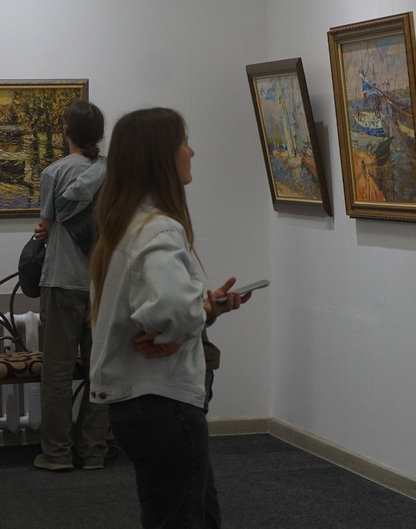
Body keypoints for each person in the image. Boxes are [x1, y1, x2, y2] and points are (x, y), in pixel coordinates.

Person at [88, 107, 249, 527]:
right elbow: (173, 308)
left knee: (188, 513)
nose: (191, 152)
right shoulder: (159, 229)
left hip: (140, 403)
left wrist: (205, 309)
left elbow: (160, 306)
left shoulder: (124, 222)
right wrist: (176, 330)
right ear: (161, 156)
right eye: (184, 143)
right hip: (162, 402)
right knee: (184, 519)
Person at [33, 99, 110, 472]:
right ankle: (93, 452)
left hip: (62, 281)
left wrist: (43, 230)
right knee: (101, 372)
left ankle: (57, 453)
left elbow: (46, 227)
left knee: (58, 374)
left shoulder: (54, 172)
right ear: (99, 134)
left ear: (66, 131)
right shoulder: (112, 173)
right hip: (103, 286)